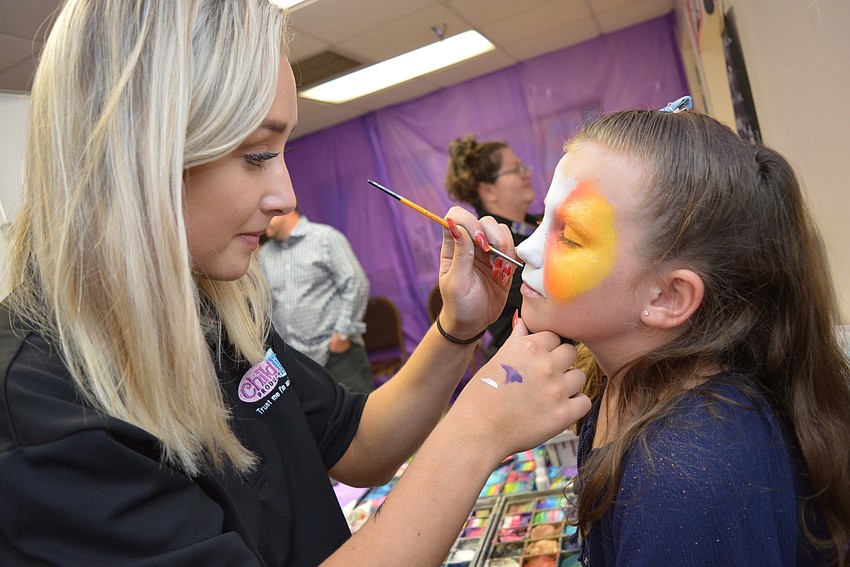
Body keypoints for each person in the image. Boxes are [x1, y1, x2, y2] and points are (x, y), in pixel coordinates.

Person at [0, 2, 592, 565]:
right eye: (257, 154)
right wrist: (473, 434)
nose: (285, 194)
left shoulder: (214, 303)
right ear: (139, 153)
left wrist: (458, 328)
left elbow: (357, 444)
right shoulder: (41, 414)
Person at [515, 97, 850, 566]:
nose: (526, 248)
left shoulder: (688, 476)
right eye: (540, 221)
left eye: (569, 236)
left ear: (667, 297)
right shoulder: (618, 379)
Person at [445, 135, 542, 360]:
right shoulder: (487, 245)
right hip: (522, 361)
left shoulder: (540, 222)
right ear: (488, 190)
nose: (527, 173)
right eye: (516, 169)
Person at [260, 208, 373, 394]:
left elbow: (356, 284)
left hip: (336, 354)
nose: (260, 223)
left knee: (364, 416)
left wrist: (342, 336)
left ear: (284, 210)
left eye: (265, 216)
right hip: (298, 364)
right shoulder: (265, 254)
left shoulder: (325, 238)